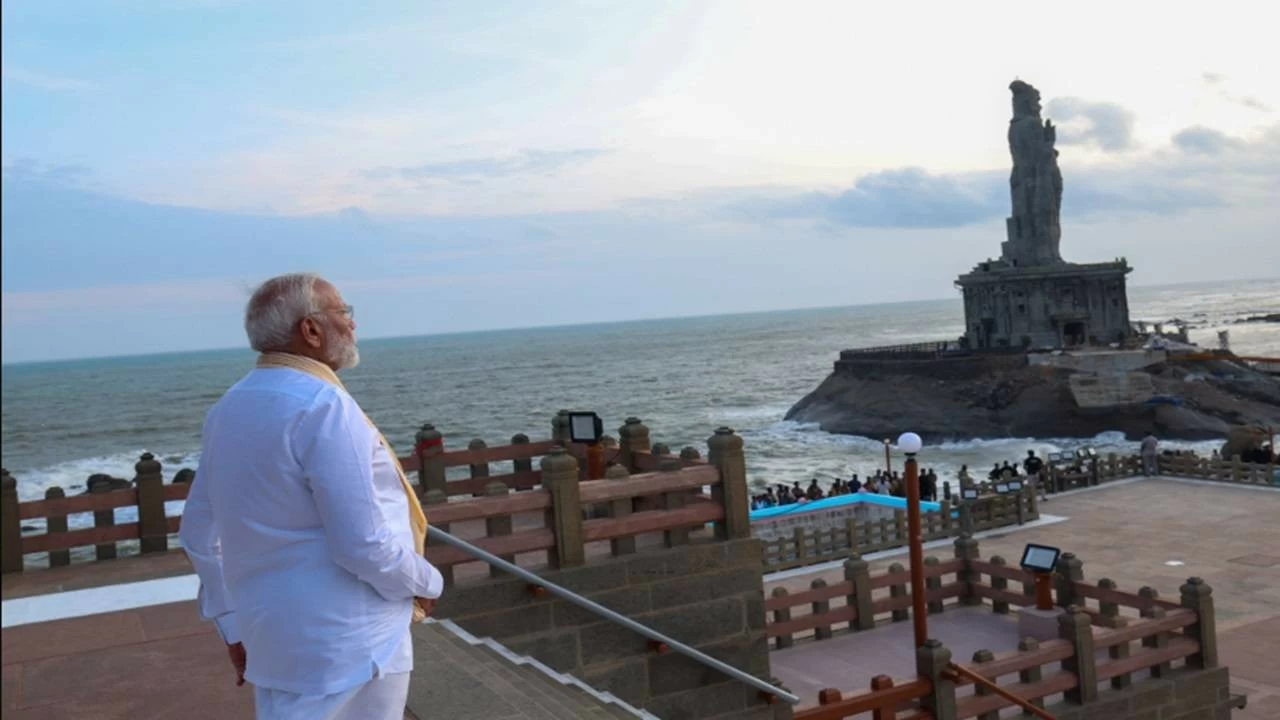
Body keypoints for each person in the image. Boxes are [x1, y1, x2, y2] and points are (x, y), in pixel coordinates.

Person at [180, 273, 445, 720]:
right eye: (344, 312)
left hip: (273, 637)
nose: (352, 325)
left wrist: (231, 623)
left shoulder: (229, 406)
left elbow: (198, 534)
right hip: (351, 642)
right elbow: (362, 545)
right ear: (311, 330)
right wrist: (427, 582)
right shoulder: (324, 406)